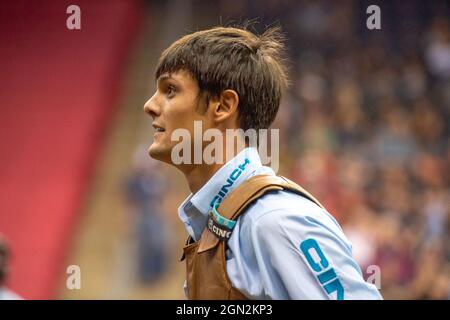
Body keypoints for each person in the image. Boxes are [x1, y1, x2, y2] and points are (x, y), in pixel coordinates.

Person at [143, 26, 382, 300]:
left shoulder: (276, 221)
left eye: (170, 90)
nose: (150, 105)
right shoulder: (224, 220)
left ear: (223, 106)